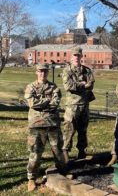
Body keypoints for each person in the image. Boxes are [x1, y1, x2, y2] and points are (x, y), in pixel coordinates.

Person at [24, 63, 66, 191]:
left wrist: (42, 103)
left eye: (45, 71)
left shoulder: (54, 87)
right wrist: (47, 101)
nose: (43, 73)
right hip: (37, 126)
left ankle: (62, 173)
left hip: (53, 124)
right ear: (36, 72)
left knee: (58, 151)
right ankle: (31, 178)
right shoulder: (30, 87)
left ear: (48, 73)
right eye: (40, 71)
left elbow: (56, 103)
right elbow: (32, 104)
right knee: (35, 154)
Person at [62, 46, 95, 162]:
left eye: (78, 55)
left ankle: (82, 152)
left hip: (84, 105)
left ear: (81, 56)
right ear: (71, 57)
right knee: (69, 130)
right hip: (72, 106)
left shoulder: (87, 70)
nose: (76, 57)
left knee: (83, 130)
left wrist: (79, 84)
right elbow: (68, 86)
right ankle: (65, 152)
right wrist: (82, 84)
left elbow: (91, 84)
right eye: (74, 55)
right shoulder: (67, 71)